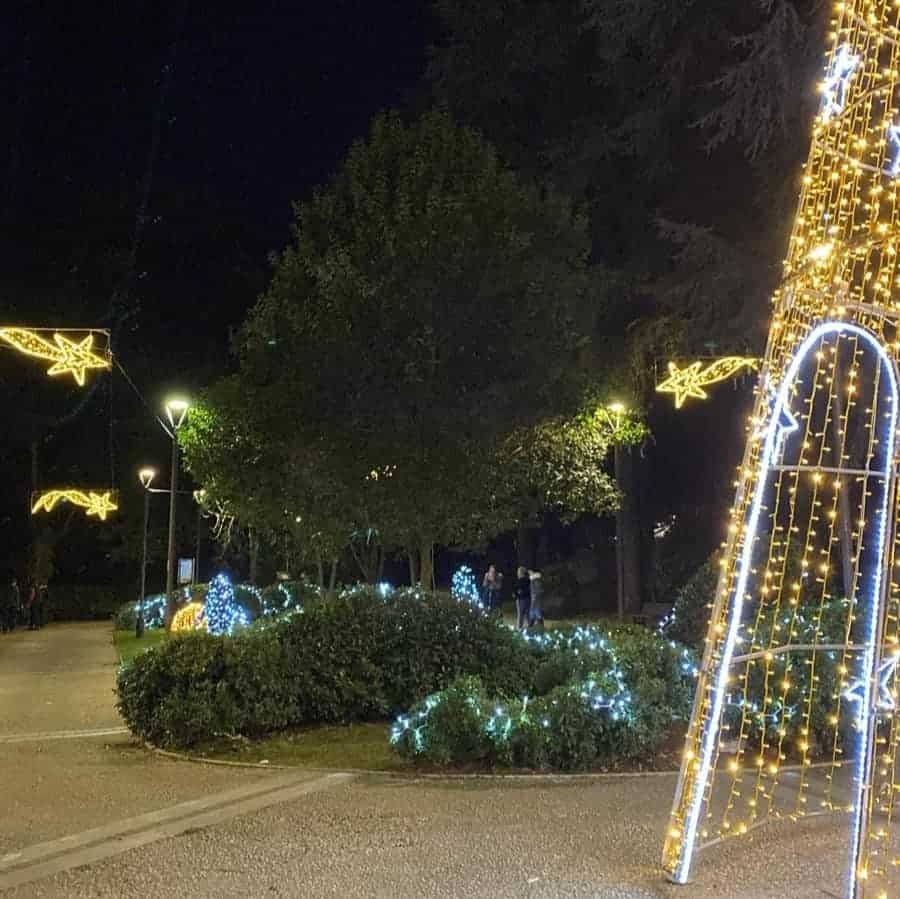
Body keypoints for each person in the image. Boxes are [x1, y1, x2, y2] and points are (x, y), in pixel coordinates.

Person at [515, 566, 531, 631]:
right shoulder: (528, 580)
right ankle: (530, 626)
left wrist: (517, 594)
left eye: (518, 571)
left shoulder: (520, 581)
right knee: (527, 613)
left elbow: (516, 590)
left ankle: (519, 627)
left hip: (521, 599)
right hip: (528, 598)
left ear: (521, 573)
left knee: (520, 614)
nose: (517, 573)